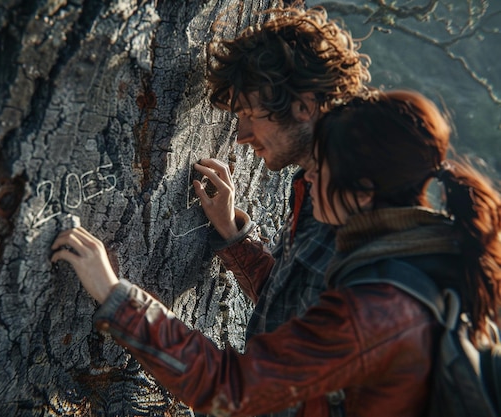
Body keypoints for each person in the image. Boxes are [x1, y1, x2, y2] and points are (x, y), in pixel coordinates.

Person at [51, 89, 501, 416]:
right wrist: (234, 236)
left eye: (321, 169)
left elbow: (232, 388)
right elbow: (304, 322)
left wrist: (115, 295)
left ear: (363, 192)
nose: (309, 179)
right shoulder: (416, 254)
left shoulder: (380, 305)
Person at [194, 2, 371, 351]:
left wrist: (119, 302)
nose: (241, 135)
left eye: (249, 114)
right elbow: (286, 303)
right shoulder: (310, 184)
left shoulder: (361, 205)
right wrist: (231, 230)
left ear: (304, 107)